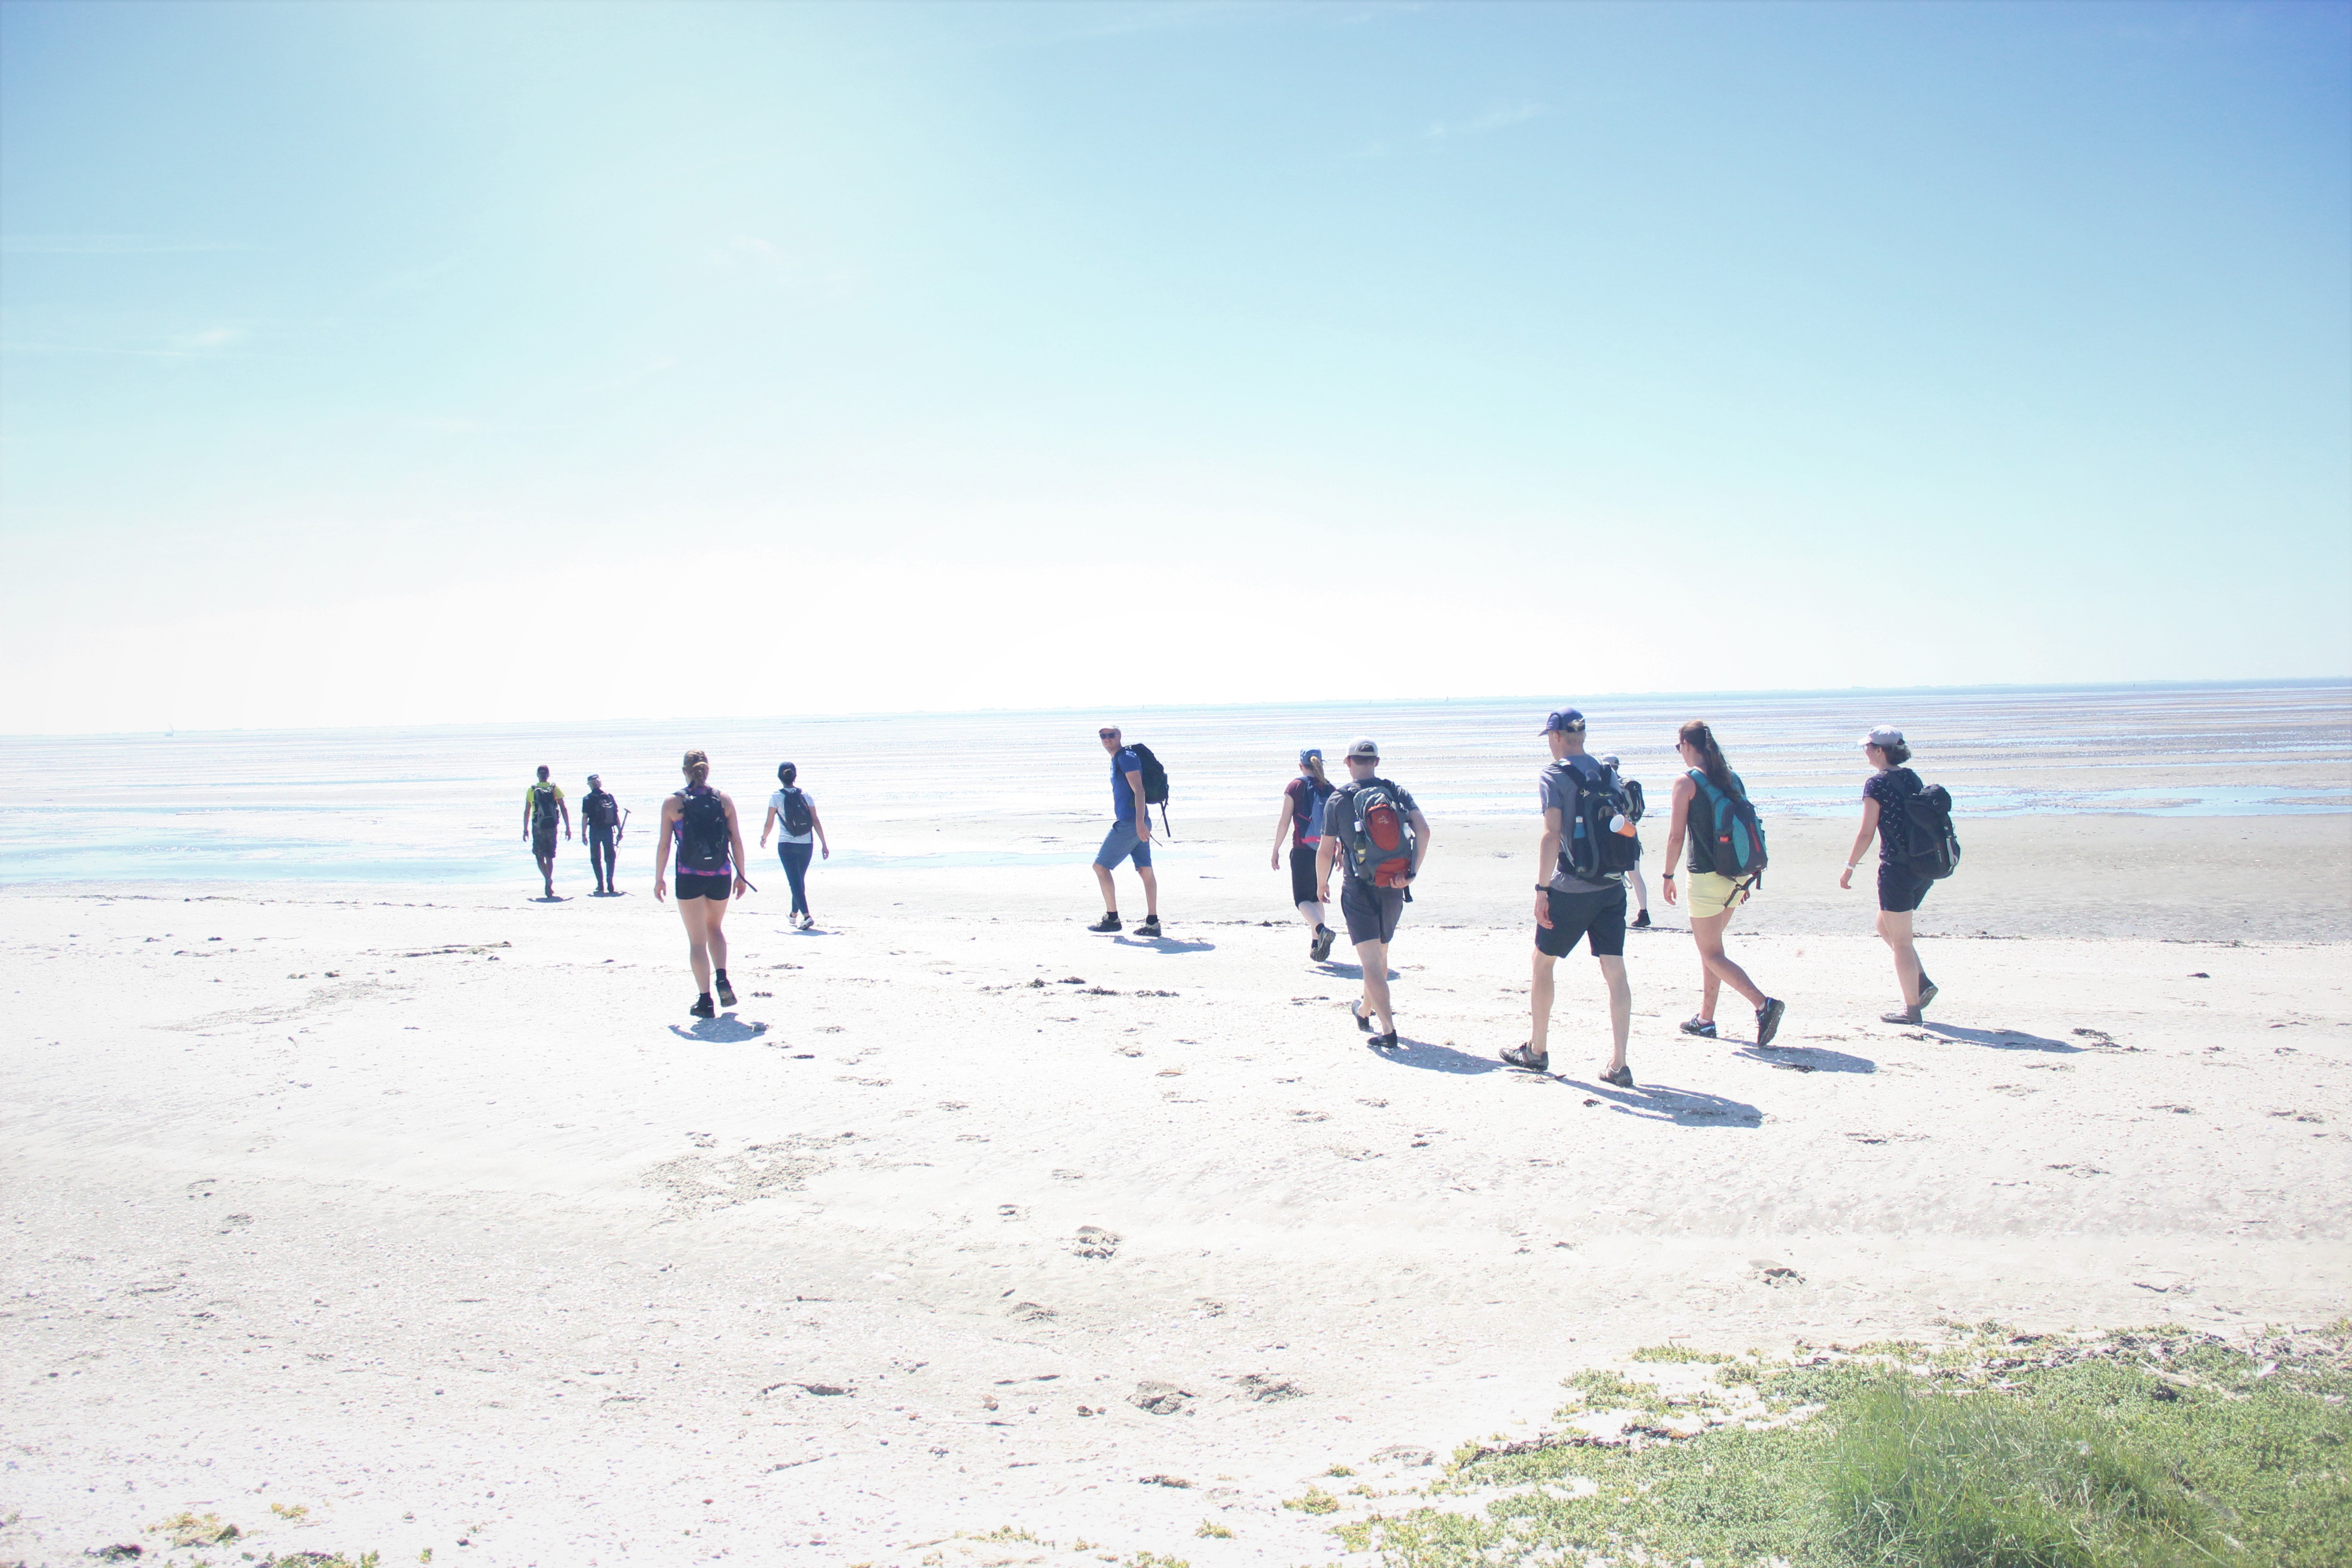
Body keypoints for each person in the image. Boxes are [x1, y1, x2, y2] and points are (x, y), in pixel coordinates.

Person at [1503, 710, 1634, 1085]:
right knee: (1615, 971)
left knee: (1543, 963)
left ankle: (1537, 1050)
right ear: (1583, 736)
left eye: (1550, 736)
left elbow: (1551, 834)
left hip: (1572, 886)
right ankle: (1619, 1064)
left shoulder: (1554, 774)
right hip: (1612, 884)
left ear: (1558, 737)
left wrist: (1542, 890)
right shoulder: (1608, 773)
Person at [1659, 720, 1786, 1045]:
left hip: (1706, 879)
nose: (1679, 752)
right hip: (1738, 877)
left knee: (1712, 954)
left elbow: (1676, 836)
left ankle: (1764, 1005)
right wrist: (1744, 878)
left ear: (1688, 745)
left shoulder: (1686, 782)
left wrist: (1668, 876)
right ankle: (1706, 1020)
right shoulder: (1732, 777)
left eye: (1679, 747)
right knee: (1712, 950)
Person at [1314, 738, 1432, 1050]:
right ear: (1376, 762)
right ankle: (1365, 1010)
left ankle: (1389, 1031)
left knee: (1371, 963)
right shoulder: (1395, 791)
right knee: (1381, 957)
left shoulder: (1338, 800)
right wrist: (1411, 874)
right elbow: (1424, 831)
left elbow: (1325, 850)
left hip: (1358, 888)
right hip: (1393, 885)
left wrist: (1321, 883)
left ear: (1348, 762)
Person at [1842, 725, 1940, 1024]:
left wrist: (1849, 867)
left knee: (1902, 942)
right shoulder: (1911, 777)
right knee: (1884, 925)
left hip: (1897, 870)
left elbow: (1866, 832)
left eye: (1868, 747)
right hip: (1922, 868)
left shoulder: (1876, 784)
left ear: (1880, 751)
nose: (1866, 751)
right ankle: (1921, 983)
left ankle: (1912, 1011)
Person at [652, 748, 752, 1019]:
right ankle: (722, 978)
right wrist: (741, 876)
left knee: (697, 941)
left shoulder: (673, 803)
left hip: (689, 876)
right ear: (707, 770)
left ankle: (705, 1001)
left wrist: (659, 878)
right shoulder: (723, 800)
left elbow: (664, 846)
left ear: (685, 771)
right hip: (720, 874)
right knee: (715, 928)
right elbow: (736, 840)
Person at [1088, 725, 1159, 938]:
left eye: (1111, 735)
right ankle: (1153, 923)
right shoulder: (1118, 759)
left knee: (1100, 867)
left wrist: (1139, 823)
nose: (1107, 739)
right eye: (1103, 736)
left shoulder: (1126, 758)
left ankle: (1112, 919)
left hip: (1131, 823)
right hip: (1137, 822)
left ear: (1119, 736)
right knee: (1145, 870)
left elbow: (1139, 790)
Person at [1269, 747, 1338, 962]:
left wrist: (1276, 849)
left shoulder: (1296, 786)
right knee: (1317, 896)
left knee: (1302, 899)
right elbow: (1339, 824)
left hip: (1303, 850)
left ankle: (1321, 930)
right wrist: (1342, 851)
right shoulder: (1331, 789)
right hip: (1327, 852)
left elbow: (1285, 821)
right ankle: (1316, 944)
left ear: (1301, 766)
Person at [760, 761, 830, 930]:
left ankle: (807, 916)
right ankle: (793, 914)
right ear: (795, 776)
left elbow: (769, 823)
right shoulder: (806, 795)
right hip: (806, 844)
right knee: (798, 880)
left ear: (779, 777)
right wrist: (824, 843)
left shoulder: (776, 796)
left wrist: (764, 837)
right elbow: (815, 820)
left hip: (786, 844)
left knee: (795, 882)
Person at [1600, 754, 1653, 929]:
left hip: (1614, 837)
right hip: (1630, 833)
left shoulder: (1609, 788)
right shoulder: (1627, 785)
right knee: (1635, 875)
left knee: (1613, 875)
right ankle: (1644, 912)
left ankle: (1611, 913)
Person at [521, 765, 570, 898]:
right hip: (552, 826)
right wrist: (568, 828)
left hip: (538, 826)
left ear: (538, 775)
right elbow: (563, 808)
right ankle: (549, 881)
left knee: (539, 856)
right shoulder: (555, 789)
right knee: (550, 856)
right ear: (548, 775)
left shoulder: (532, 790)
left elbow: (527, 811)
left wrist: (525, 829)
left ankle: (547, 878)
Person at [580, 774, 623, 896]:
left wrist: (583, 834)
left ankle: (600, 883)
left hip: (594, 831)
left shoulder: (588, 799)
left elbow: (585, 817)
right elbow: (615, 815)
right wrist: (620, 830)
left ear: (590, 785)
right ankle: (610, 878)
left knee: (595, 858)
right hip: (608, 830)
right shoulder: (608, 797)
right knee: (610, 856)